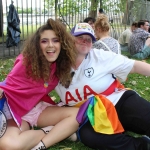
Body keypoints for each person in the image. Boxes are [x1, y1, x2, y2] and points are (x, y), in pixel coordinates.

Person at [55, 22, 150, 150]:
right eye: (80, 37)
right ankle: (143, 145)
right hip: (92, 116)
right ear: (69, 40)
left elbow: (134, 65)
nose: (84, 41)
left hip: (119, 102)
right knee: (88, 136)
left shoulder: (99, 56)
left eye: (89, 39)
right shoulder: (55, 67)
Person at [0, 18, 79, 150]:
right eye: (44, 41)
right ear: (37, 45)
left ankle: (42, 145)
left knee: (78, 114)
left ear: (62, 44)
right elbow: (8, 84)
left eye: (55, 40)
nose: (50, 45)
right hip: (16, 113)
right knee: (8, 146)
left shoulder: (60, 64)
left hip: (38, 110)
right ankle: (52, 131)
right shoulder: (26, 62)